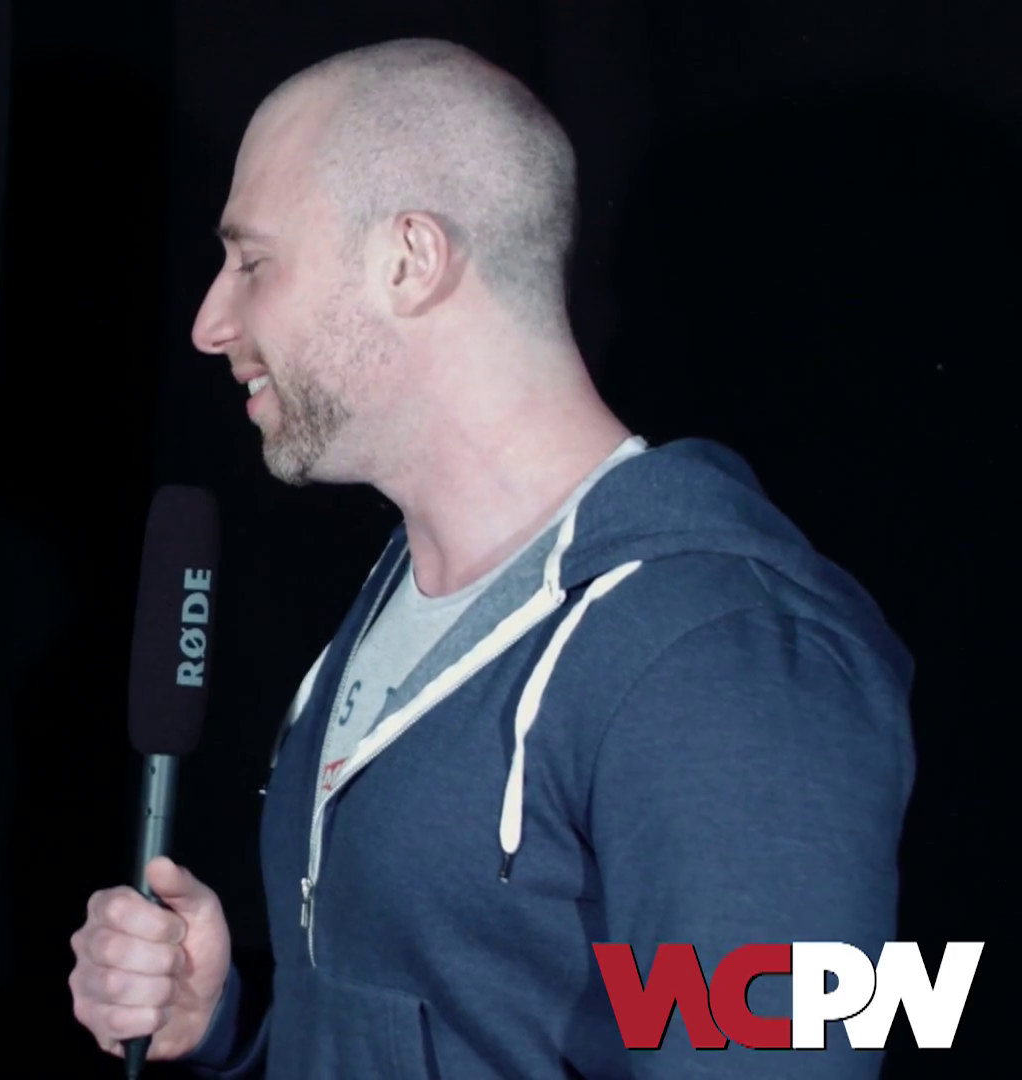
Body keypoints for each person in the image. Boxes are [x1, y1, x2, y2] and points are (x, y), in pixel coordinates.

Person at [67, 38, 915, 1078]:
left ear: (410, 260)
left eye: (252, 262)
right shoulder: (397, 598)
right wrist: (228, 1030)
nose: (209, 322)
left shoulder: (718, 657)